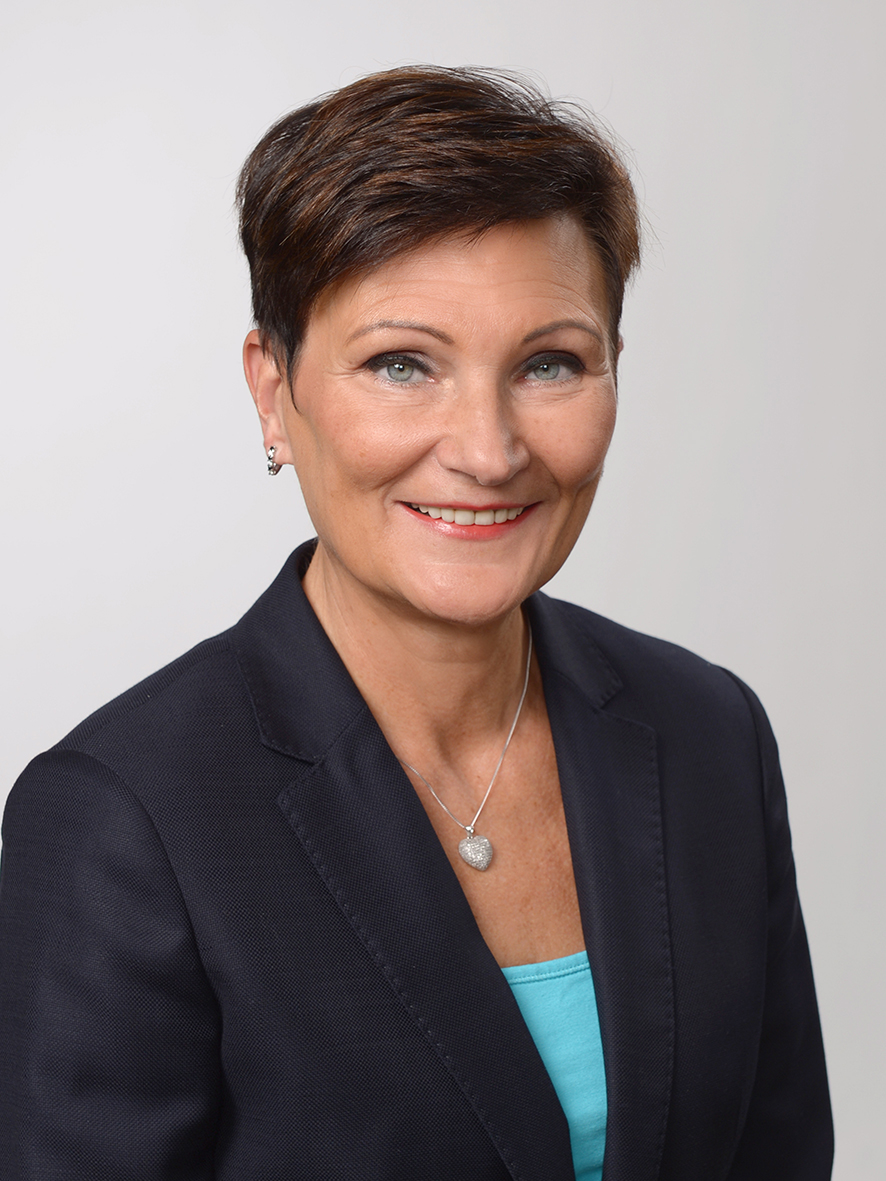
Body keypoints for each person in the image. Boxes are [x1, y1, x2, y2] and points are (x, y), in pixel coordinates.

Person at [0, 66, 832, 1180]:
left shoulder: (709, 732)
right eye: (402, 364)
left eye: (549, 363)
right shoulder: (124, 816)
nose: (488, 450)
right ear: (273, 390)